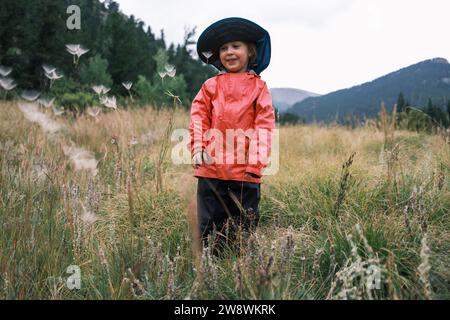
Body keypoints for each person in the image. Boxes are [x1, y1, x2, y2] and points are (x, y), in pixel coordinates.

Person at [189, 17, 275, 256]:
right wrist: (198, 147)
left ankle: (239, 269)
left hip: (245, 171)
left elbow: (264, 126)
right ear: (218, 56)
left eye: (236, 46)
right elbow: (199, 118)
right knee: (209, 224)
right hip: (211, 169)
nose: (229, 52)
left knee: (243, 225)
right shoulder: (210, 86)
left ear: (250, 51)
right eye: (224, 48)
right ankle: (209, 265)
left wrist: (255, 164)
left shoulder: (259, 88)